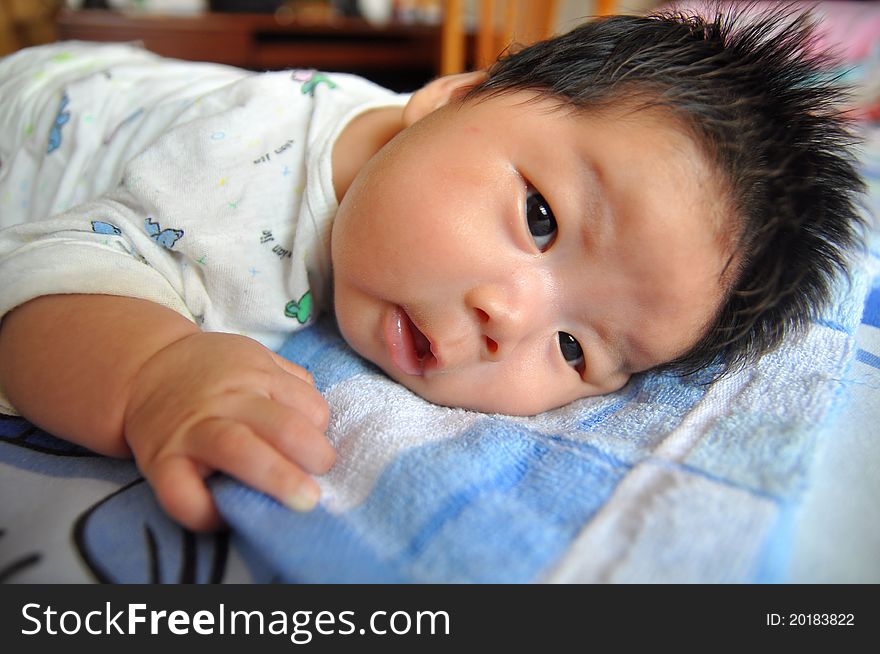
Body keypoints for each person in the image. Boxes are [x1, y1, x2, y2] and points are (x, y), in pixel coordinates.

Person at [0, 6, 865, 531]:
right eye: (540, 219)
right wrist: (155, 371)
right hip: (34, 101)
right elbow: (42, 276)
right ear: (450, 97)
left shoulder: (444, 158)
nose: (511, 319)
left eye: (575, 351)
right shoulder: (230, 192)